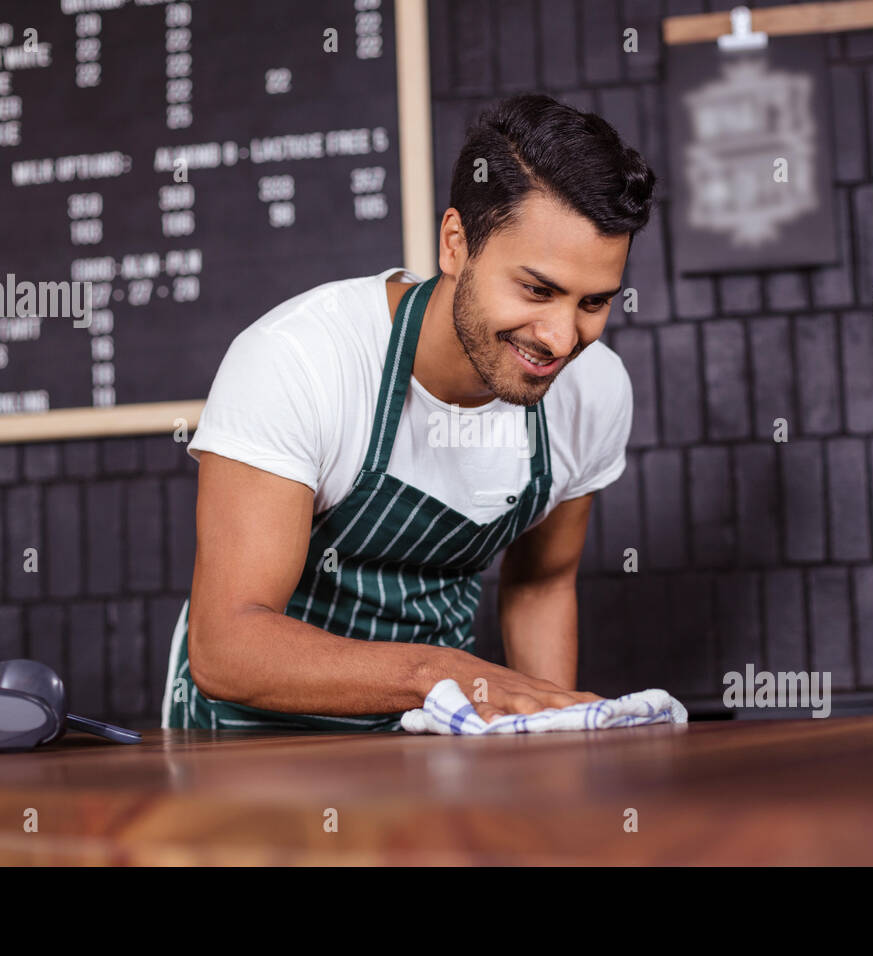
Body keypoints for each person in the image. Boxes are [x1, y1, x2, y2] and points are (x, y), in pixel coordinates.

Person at [162, 92, 657, 731]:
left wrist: (551, 732)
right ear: (455, 243)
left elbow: (541, 585)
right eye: (537, 290)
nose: (562, 339)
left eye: (593, 302)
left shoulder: (594, 391)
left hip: (423, 737)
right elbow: (228, 648)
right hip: (246, 746)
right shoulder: (297, 361)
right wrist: (437, 675)